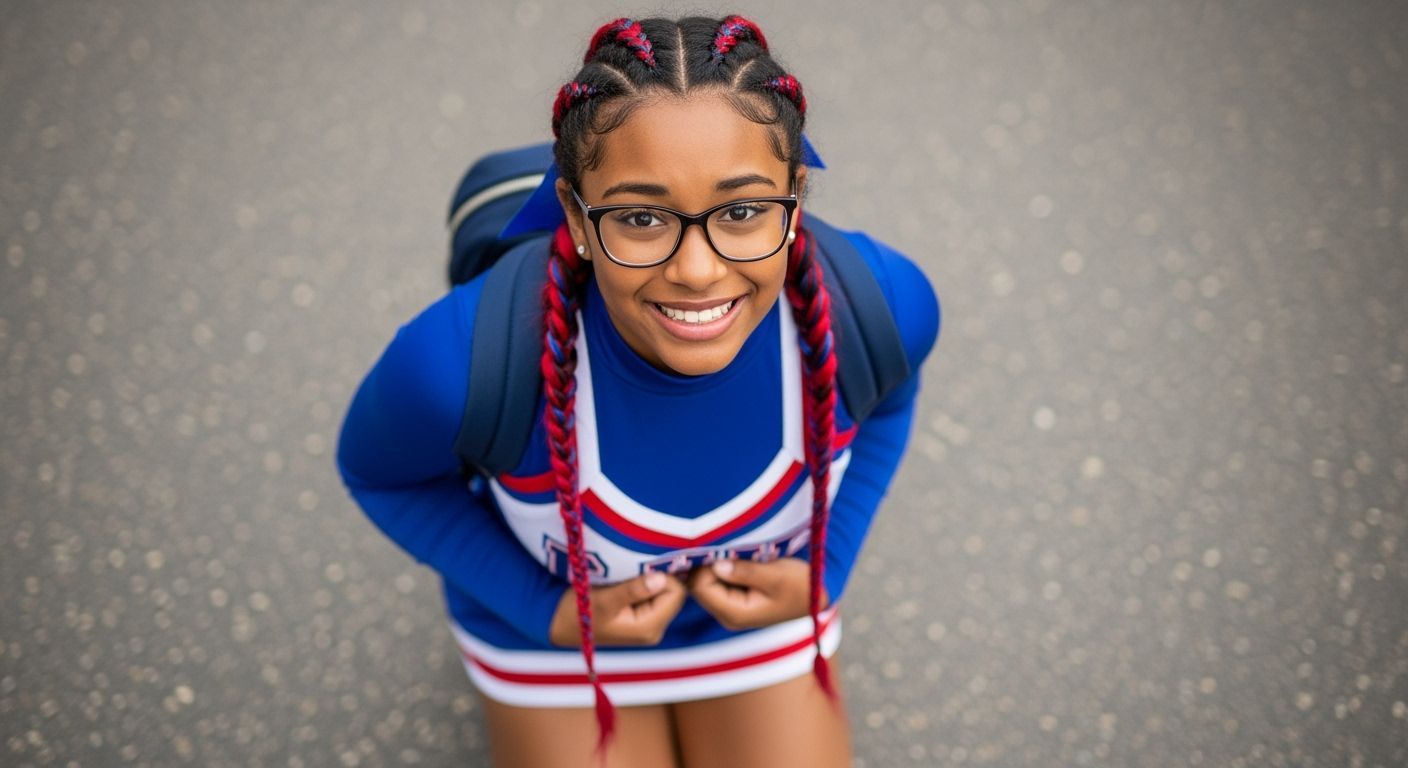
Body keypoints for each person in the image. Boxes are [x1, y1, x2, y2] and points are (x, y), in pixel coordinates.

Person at [336, 14, 939, 768]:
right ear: (575, 217)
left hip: (757, 628)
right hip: (558, 644)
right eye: (642, 217)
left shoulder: (879, 308)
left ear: (797, 197)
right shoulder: (455, 364)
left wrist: (828, 570)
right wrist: (545, 610)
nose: (697, 271)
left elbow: (892, 400)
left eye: (743, 211)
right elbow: (380, 475)